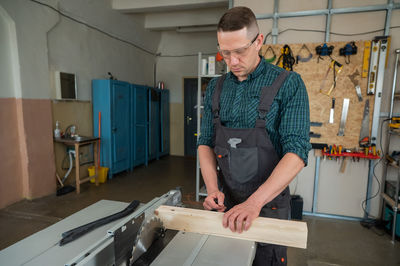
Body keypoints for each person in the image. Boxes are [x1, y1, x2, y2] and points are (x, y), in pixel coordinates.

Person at [197, 6, 311, 266]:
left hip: (269, 205)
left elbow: (297, 153)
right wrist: (213, 189)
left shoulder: (289, 84)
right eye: (225, 53)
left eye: (240, 51)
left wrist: (254, 203)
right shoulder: (215, 87)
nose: (233, 61)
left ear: (259, 41)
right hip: (225, 204)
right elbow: (205, 142)